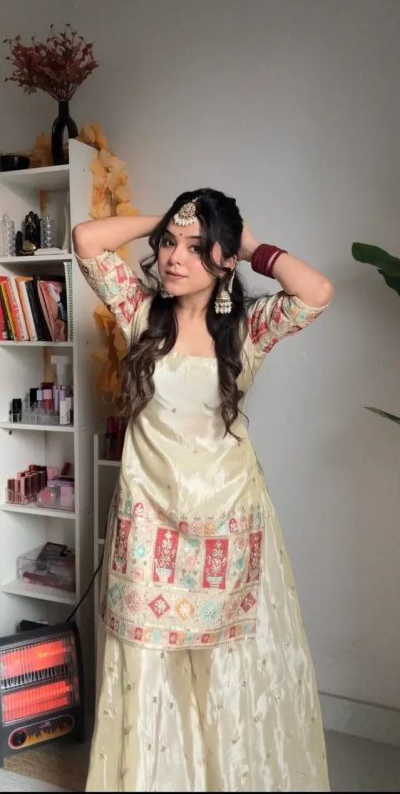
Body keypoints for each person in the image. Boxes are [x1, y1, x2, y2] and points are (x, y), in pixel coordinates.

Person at [73, 187, 334, 793]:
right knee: (147, 664)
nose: (173, 257)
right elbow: (86, 240)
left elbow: (317, 292)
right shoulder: (140, 311)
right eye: (169, 243)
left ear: (224, 259)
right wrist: (169, 217)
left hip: (227, 519)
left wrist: (250, 244)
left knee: (225, 668)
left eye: (195, 247)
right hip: (149, 519)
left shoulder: (249, 329)